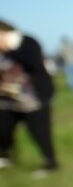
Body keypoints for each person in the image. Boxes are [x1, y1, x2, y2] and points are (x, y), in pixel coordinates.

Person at [0, 19, 59, 177]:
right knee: (3, 130)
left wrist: (10, 50)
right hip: (6, 99)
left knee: (39, 132)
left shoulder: (27, 42)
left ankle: (50, 162)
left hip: (32, 98)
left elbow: (33, 63)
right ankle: (6, 156)